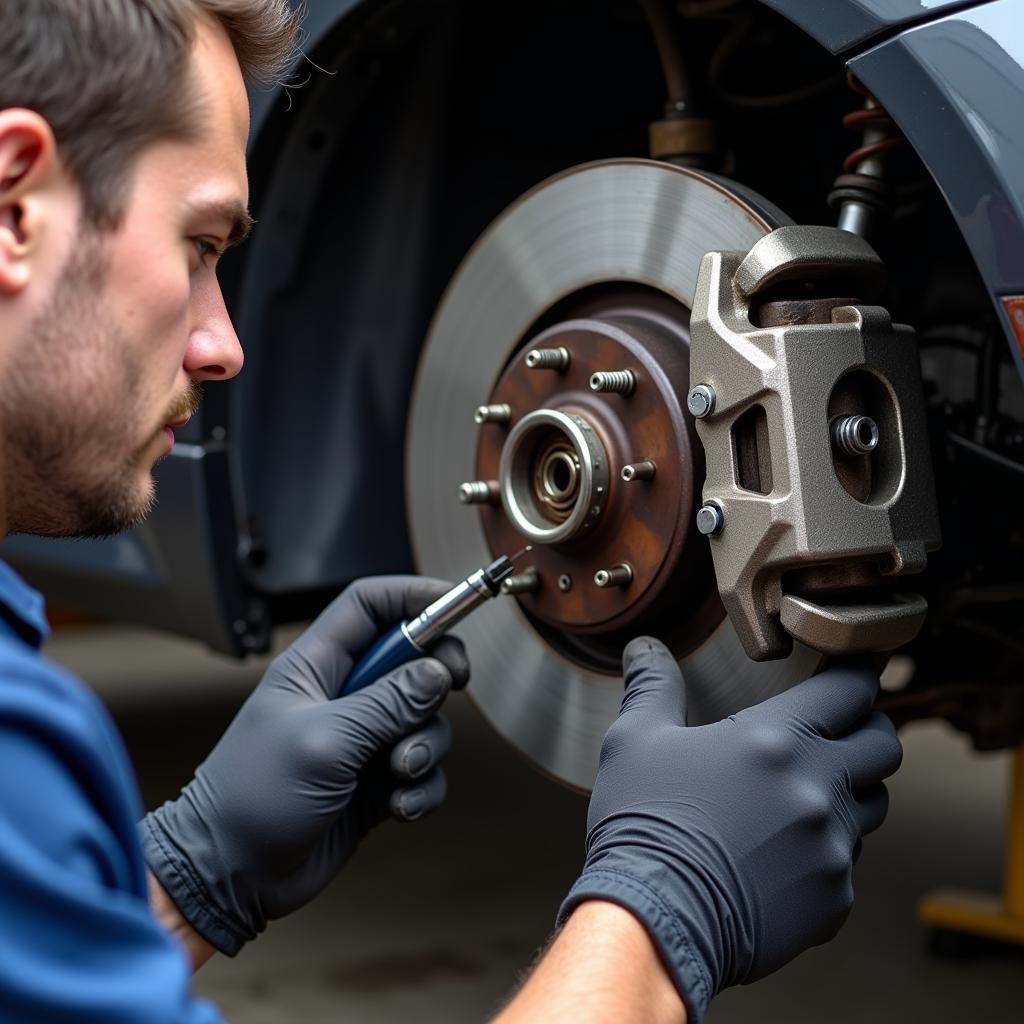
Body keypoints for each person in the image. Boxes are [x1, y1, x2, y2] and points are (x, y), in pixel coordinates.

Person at [0, 3, 902, 1023]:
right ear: (14, 208)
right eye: (201, 246)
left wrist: (189, 874)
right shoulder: (18, 747)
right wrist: (659, 916)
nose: (223, 346)